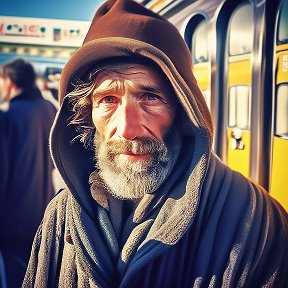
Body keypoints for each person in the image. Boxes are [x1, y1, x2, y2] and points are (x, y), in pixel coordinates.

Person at [23, 0, 288, 287]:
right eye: (108, 100)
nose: (128, 129)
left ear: (184, 112)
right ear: (87, 113)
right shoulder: (60, 216)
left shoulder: (257, 223)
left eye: (150, 98)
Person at [0, 58, 57, 287]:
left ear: (10, 81)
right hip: (45, 214)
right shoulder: (49, 109)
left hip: (12, 220)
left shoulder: (7, 118)